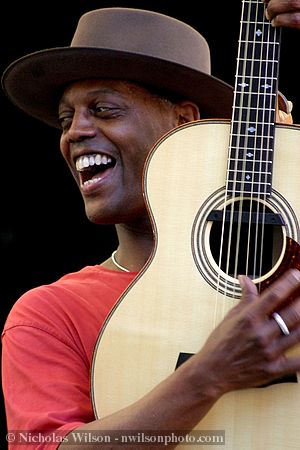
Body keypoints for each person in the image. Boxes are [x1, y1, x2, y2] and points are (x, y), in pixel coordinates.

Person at [2, 2, 300, 449]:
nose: (75, 132)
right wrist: (209, 375)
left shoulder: (288, 276)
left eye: (104, 109)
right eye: (66, 119)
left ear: (183, 122)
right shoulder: (49, 314)